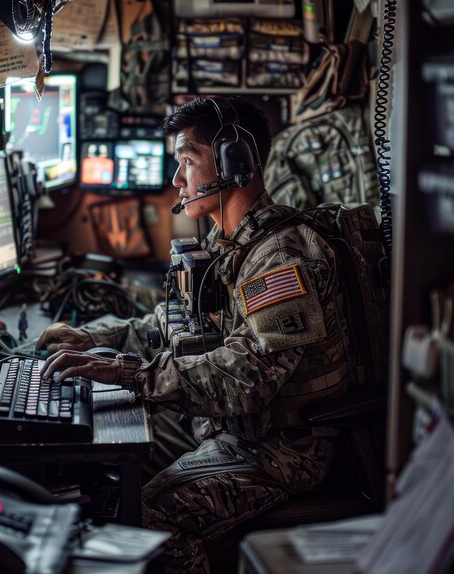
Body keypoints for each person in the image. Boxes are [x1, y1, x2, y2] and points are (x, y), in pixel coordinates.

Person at [37, 96, 354, 574]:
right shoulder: (227, 245)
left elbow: (248, 376)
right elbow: (175, 325)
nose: (176, 180)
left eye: (187, 161)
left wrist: (131, 374)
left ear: (235, 160)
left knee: (140, 519)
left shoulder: (283, 256)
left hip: (279, 450)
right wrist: (96, 340)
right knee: (95, 457)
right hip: (227, 426)